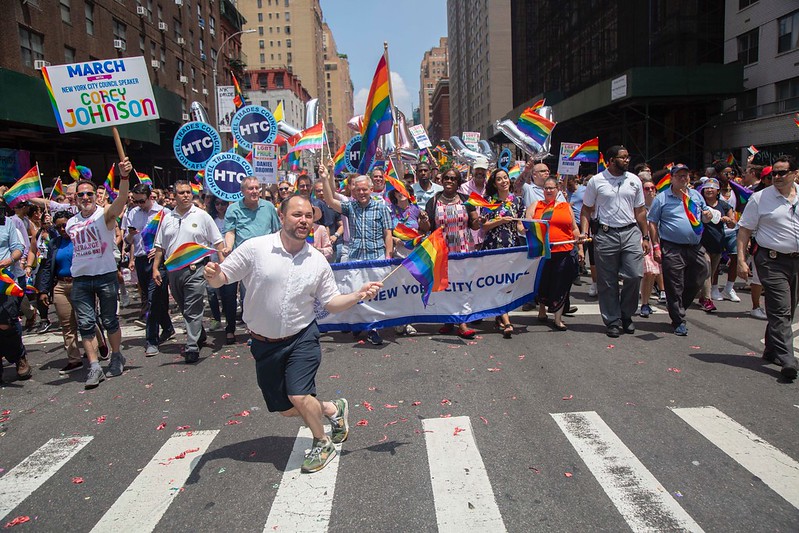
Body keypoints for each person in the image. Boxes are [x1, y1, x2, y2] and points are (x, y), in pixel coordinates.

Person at [204, 195, 383, 473]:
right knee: (286, 408)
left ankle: (322, 442)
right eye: (297, 215)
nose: (304, 221)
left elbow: (331, 303)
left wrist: (357, 295)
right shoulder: (255, 248)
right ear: (282, 215)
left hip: (302, 336)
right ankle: (333, 409)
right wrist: (212, 275)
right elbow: (222, 278)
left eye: (309, 216)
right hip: (263, 343)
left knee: (299, 395)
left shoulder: (317, 261)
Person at [67, 158, 131, 388]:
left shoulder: (104, 216)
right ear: (75, 198)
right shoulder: (70, 223)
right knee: (85, 324)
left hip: (105, 276)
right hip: (81, 280)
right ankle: (94, 367)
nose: (85, 198)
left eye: (89, 194)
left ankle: (116, 356)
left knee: (109, 320)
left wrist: (124, 177)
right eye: (81, 195)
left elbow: (122, 199)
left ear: (96, 196)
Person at [737, 156, 799, 380]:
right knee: (781, 309)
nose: (778, 177)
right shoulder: (759, 198)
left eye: (783, 173)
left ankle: (772, 349)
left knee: (788, 309)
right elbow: (744, 230)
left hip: (796, 261)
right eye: (775, 173)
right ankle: (787, 360)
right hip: (771, 261)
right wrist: (742, 261)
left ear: (795, 174)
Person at [580, 146, 650, 338]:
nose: (627, 160)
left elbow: (641, 211)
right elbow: (586, 209)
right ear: (611, 160)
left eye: (628, 157)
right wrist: (584, 232)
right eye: (623, 158)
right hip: (605, 234)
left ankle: (626, 315)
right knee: (607, 281)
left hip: (630, 233)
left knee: (634, 275)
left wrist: (645, 236)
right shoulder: (597, 181)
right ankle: (612, 320)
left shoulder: (634, 180)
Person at [153, 181, 225, 363]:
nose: (185, 195)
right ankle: (198, 334)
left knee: (193, 307)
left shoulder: (202, 216)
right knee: (185, 307)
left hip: (195, 269)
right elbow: (160, 246)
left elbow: (218, 241)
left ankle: (192, 346)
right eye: (181, 193)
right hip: (173, 271)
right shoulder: (167, 218)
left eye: (188, 192)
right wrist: (155, 268)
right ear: (174, 196)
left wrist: (224, 264)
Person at [319, 166, 392, 345]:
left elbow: (388, 234)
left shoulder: (381, 208)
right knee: (356, 292)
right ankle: (360, 323)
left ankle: (373, 329)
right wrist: (325, 177)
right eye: (358, 190)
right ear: (353, 191)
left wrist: (388, 257)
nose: (361, 192)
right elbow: (329, 199)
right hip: (356, 259)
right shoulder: (350, 207)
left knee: (374, 296)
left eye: (364, 189)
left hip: (376, 258)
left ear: (371, 189)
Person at [647, 164, 713, 336]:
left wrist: (708, 216)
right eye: (679, 176)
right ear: (672, 178)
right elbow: (652, 222)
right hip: (672, 247)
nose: (683, 179)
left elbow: (704, 214)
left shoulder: (696, 196)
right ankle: (678, 319)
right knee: (674, 282)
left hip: (695, 246)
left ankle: (678, 304)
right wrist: (655, 246)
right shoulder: (662, 198)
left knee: (702, 272)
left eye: (686, 176)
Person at [418, 167, 480, 339]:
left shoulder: (467, 201)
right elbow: (426, 228)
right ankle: (448, 320)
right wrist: (423, 221)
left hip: (463, 250)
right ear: (442, 180)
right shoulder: (433, 201)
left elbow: (474, 225)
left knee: (462, 284)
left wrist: (478, 220)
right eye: (446, 178)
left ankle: (462, 322)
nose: (449, 181)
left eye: (453, 179)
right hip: (442, 250)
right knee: (445, 284)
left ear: (458, 182)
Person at [223, 176, 280, 343]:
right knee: (232, 295)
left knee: (257, 295)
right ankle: (230, 328)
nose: (255, 191)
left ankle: (256, 330)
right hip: (242, 258)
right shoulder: (233, 209)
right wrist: (228, 247)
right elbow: (230, 231)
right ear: (243, 191)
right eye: (251, 188)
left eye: (257, 188)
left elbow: (277, 231)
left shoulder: (269, 207)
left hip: (266, 258)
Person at [122, 184, 174, 356]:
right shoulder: (132, 213)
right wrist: (130, 234)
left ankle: (151, 340)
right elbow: (127, 241)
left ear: (150, 196)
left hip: (158, 261)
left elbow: (172, 236)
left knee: (152, 300)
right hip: (140, 260)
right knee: (154, 299)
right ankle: (167, 327)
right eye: (135, 201)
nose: (139, 205)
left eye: (142, 201)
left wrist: (161, 249)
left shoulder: (164, 213)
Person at [525, 177, 583, 331]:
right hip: (543, 252)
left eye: (552, 188)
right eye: (546, 188)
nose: (549, 191)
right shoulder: (536, 205)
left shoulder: (565, 206)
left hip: (565, 250)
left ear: (557, 189)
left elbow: (574, 228)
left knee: (561, 283)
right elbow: (524, 223)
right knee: (544, 282)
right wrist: (524, 229)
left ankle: (558, 318)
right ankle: (542, 309)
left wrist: (580, 245)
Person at [482, 168, 525, 337]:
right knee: (498, 282)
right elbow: (484, 226)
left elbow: (520, 225)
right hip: (493, 247)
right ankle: (507, 321)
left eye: (505, 178)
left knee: (507, 283)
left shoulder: (518, 201)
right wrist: (500, 220)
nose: (503, 181)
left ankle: (500, 315)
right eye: (499, 179)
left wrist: (533, 230)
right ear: (494, 183)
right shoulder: (488, 201)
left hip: (511, 247)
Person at [0, 196, 29, 382]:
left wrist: (9, 260)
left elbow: (18, 247)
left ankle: (19, 357)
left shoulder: (8, 223)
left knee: (5, 323)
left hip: (4, 279)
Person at [697, 178, 735, 313]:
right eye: (706, 188)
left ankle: (702, 296)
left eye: (712, 188)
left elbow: (733, 223)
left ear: (718, 190)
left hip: (718, 243)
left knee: (711, 272)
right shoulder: (699, 204)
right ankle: (707, 300)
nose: (709, 190)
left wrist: (728, 220)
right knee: (706, 269)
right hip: (702, 244)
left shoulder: (724, 205)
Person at [713, 162, 741, 302]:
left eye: (731, 173)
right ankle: (714, 287)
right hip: (716, 230)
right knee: (716, 260)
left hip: (732, 230)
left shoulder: (736, 189)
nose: (729, 176)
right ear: (718, 174)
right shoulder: (713, 189)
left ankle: (729, 288)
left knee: (735, 258)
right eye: (726, 173)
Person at [639, 178, 665, 318]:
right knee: (647, 272)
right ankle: (642, 302)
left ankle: (645, 302)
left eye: (652, 188)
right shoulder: (638, 206)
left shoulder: (660, 204)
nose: (650, 191)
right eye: (646, 188)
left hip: (657, 241)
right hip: (642, 240)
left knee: (653, 273)